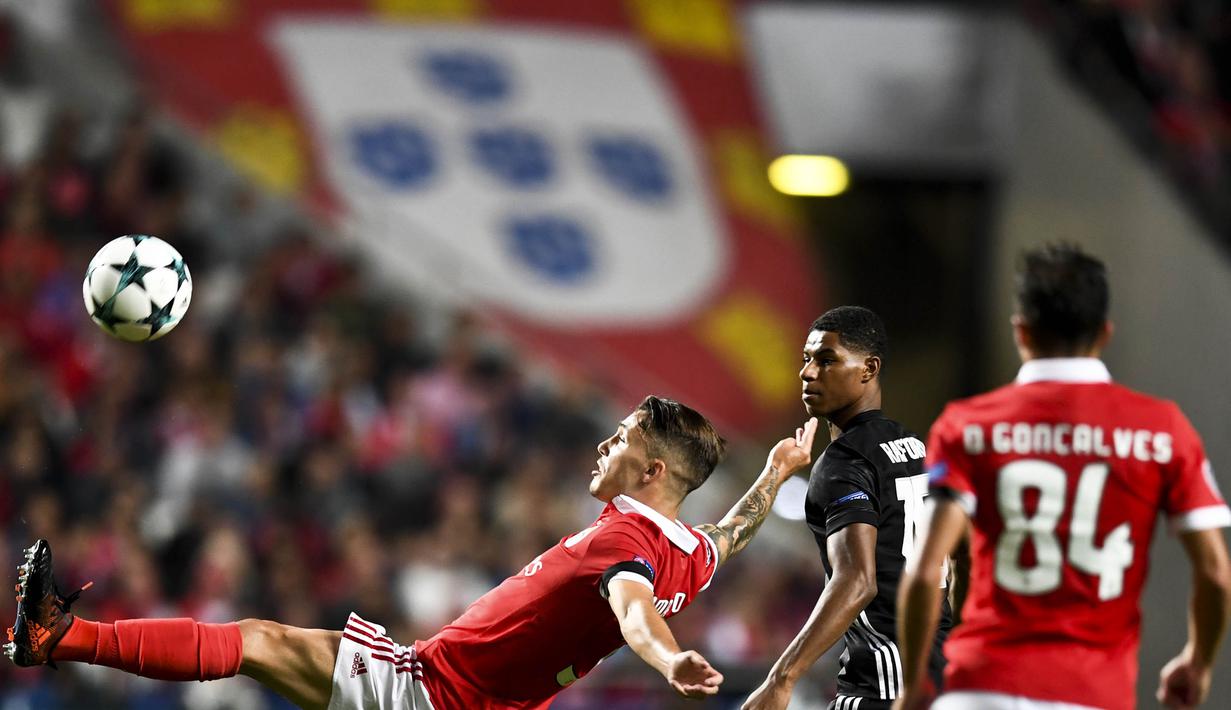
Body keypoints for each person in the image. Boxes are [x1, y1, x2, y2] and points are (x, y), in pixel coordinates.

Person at [6, 395, 816, 709]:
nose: (603, 444)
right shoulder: (686, 552)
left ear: (652, 469)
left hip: (437, 696)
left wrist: (669, 660)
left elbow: (633, 612)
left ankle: (63, 638)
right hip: (462, 694)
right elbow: (727, 537)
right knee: (266, 643)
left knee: (260, 642)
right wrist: (775, 472)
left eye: (621, 438)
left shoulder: (628, 541)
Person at [894, 244, 1231, 710]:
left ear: (1021, 330)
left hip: (980, 689)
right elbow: (1214, 572)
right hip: (1092, 695)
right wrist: (1198, 662)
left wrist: (913, 686)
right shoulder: (1162, 429)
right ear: (1105, 332)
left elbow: (924, 569)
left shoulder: (967, 426)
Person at [744, 306, 952, 710]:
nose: (807, 373)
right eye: (806, 360)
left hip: (885, 681)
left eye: (826, 360)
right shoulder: (915, 447)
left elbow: (857, 580)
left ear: (868, 368)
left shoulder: (845, 462)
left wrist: (780, 678)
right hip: (942, 675)